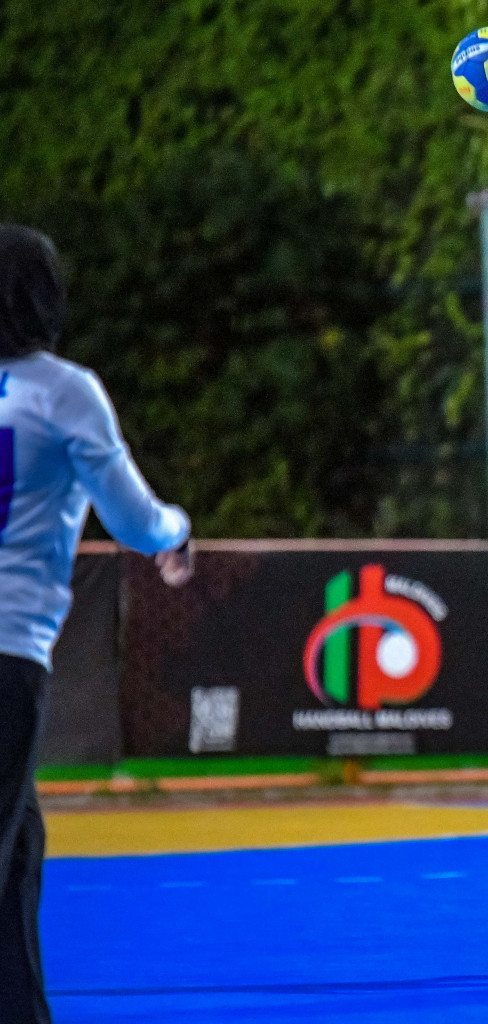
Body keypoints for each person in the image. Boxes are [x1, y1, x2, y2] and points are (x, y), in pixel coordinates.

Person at [0, 225, 193, 1024]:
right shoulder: (65, 391)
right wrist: (175, 531)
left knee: (19, 852)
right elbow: (133, 518)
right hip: (7, 654)